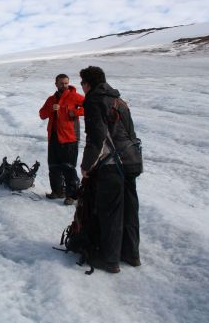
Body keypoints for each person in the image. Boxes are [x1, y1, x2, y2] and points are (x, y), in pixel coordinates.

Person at [79, 66, 142, 273]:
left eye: (82, 83)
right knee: (130, 209)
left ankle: (110, 259)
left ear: (88, 83)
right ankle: (131, 254)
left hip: (112, 164)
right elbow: (130, 132)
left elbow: (96, 137)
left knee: (110, 212)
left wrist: (86, 166)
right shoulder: (118, 100)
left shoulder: (94, 100)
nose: (82, 87)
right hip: (131, 161)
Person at [39, 74, 85, 205]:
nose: (64, 85)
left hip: (69, 137)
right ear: (56, 84)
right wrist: (50, 109)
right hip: (53, 138)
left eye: (66, 83)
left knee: (69, 167)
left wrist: (73, 112)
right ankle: (57, 191)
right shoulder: (51, 99)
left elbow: (88, 106)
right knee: (54, 166)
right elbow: (42, 114)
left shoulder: (73, 96)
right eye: (61, 83)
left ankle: (72, 195)